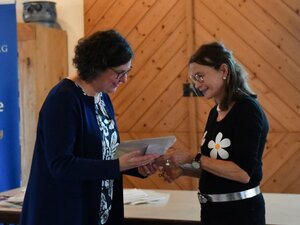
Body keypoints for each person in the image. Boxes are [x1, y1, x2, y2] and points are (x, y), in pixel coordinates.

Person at [19, 29, 160, 225]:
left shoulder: (102, 98)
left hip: (97, 210)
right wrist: (119, 165)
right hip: (64, 212)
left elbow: (104, 154)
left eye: (128, 72)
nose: (125, 79)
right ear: (97, 66)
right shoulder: (63, 99)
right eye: (120, 73)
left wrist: (137, 167)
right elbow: (61, 165)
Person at [158, 42, 269, 225]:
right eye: (194, 79)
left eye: (200, 76)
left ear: (224, 70)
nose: (197, 84)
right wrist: (183, 170)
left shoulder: (247, 110)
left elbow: (242, 173)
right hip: (213, 212)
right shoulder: (215, 112)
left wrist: (192, 156)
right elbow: (217, 167)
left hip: (241, 214)